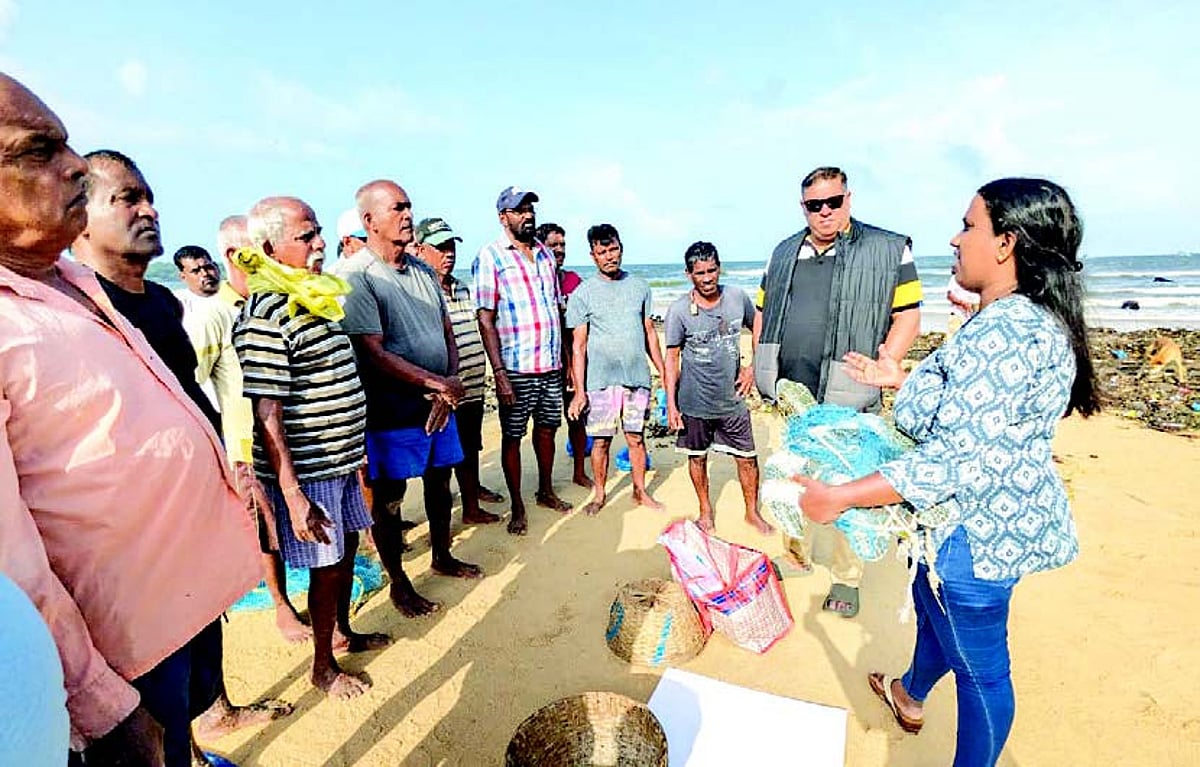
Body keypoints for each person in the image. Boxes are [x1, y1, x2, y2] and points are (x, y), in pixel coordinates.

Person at [0, 74, 260, 766]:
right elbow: (9, 562)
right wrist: (98, 699)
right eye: (37, 150)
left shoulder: (75, 279)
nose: (75, 164)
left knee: (185, 727)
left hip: (187, 599)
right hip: (117, 653)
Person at [797, 178, 1099, 766]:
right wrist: (902, 381)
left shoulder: (1007, 332)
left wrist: (839, 497)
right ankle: (910, 695)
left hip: (973, 537)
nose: (956, 239)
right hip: (973, 524)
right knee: (928, 607)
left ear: (1006, 243)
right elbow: (982, 416)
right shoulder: (1021, 318)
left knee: (983, 674)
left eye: (969, 226)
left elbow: (952, 460)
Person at [72, 149, 292, 758]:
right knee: (149, 703)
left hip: (193, 528)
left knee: (192, 680)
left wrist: (233, 472)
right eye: (127, 199)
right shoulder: (81, 314)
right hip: (132, 556)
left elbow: (191, 401)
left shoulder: (164, 306)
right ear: (81, 214)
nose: (150, 210)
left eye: (150, 197)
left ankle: (196, 742)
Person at [233, 195, 390, 701]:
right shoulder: (265, 313)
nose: (320, 243)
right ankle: (322, 667)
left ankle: (342, 633)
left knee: (341, 557)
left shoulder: (311, 297)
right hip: (311, 468)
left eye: (319, 232)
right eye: (306, 236)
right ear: (269, 247)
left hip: (340, 460)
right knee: (325, 566)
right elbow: (267, 415)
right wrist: (292, 491)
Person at [753, 165, 923, 619]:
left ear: (848, 199)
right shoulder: (784, 252)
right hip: (789, 392)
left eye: (834, 202)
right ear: (803, 207)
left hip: (849, 390)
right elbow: (762, 313)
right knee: (789, 479)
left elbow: (907, 314)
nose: (825, 212)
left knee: (846, 483)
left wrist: (890, 361)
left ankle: (847, 577)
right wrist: (757, 363)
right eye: (815, 205)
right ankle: (796, 554)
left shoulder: (887, 249)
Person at [330, 181, 483, 618]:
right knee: (390, 496)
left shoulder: (420, 270)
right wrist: (437, 384)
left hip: (439, 401)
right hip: (392, 409)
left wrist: (449, 381)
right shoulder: (357, 275)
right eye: (397, 208)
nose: (407, 214)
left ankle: (442, 555)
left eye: (409, 206)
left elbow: (446, 329)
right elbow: (372, 351)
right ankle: (398, 581)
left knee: (440, 481)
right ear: (369, 220)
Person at [178, 214, 311, 645]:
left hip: (286, 438)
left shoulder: (273, 303)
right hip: (244, 446)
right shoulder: (214, 315)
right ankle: (282, 606)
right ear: (238, 255)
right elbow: (187, 381)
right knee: (264, 531)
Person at [473, 186, 571, 535]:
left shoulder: (545, 255)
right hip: (516, 367)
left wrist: (565, 362)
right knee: (513, 435)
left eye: (530, 208)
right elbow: (485, 318)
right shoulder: (491, 256)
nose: (528, 215)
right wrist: (499, 372)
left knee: (548, 430)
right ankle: (517, 504)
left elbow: (554, 311)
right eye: (519, 210)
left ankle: (545, 490)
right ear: (504, 217)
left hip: (549, 365)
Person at [664, 241, 772, 534]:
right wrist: (671, 405)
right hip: (694, 401)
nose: (709, 278)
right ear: (689, 274)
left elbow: (758, 323)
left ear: (719, 268)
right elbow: (671, 358)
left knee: (748, 458)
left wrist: (751, 367)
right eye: (700, 273)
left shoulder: (737, 297)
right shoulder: (678, 311)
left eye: (712, 270)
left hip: (733, 399)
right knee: (697, 457)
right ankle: (705, 511)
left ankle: (752, 512)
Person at [565, 223, 665, 515]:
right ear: (592, 256)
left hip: (636, 378)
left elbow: (649, 333)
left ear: (621, 248)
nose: (609, 256)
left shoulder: (640, 287)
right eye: (602, 251)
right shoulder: (583, 294)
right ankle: (599, 493)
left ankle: (640, 491)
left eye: (613, 249)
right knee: (601, 442)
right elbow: (578, 346)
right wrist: (579, 391)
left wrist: (665, 374)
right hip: (600, 382)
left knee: (636, 437)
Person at [414, 215, 506, 514]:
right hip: (442, 393)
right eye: (440, 247)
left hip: (473, 387)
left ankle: (471, 500)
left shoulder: (462, 288)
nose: (448, 253)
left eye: (451, 246)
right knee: (439, 462)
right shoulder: (420, 292)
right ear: (420, 249)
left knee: (471, 446)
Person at [537, 221, 590, 489]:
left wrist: (573, 364)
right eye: (553, 245)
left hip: (575, 360)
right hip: (545, 361)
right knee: (546, 424)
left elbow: (581, 326)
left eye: (562, 245)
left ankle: (579, 471)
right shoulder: (536, 283)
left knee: (577, 417)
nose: (559, 250)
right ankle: (544, 483)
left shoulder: (573, 281)